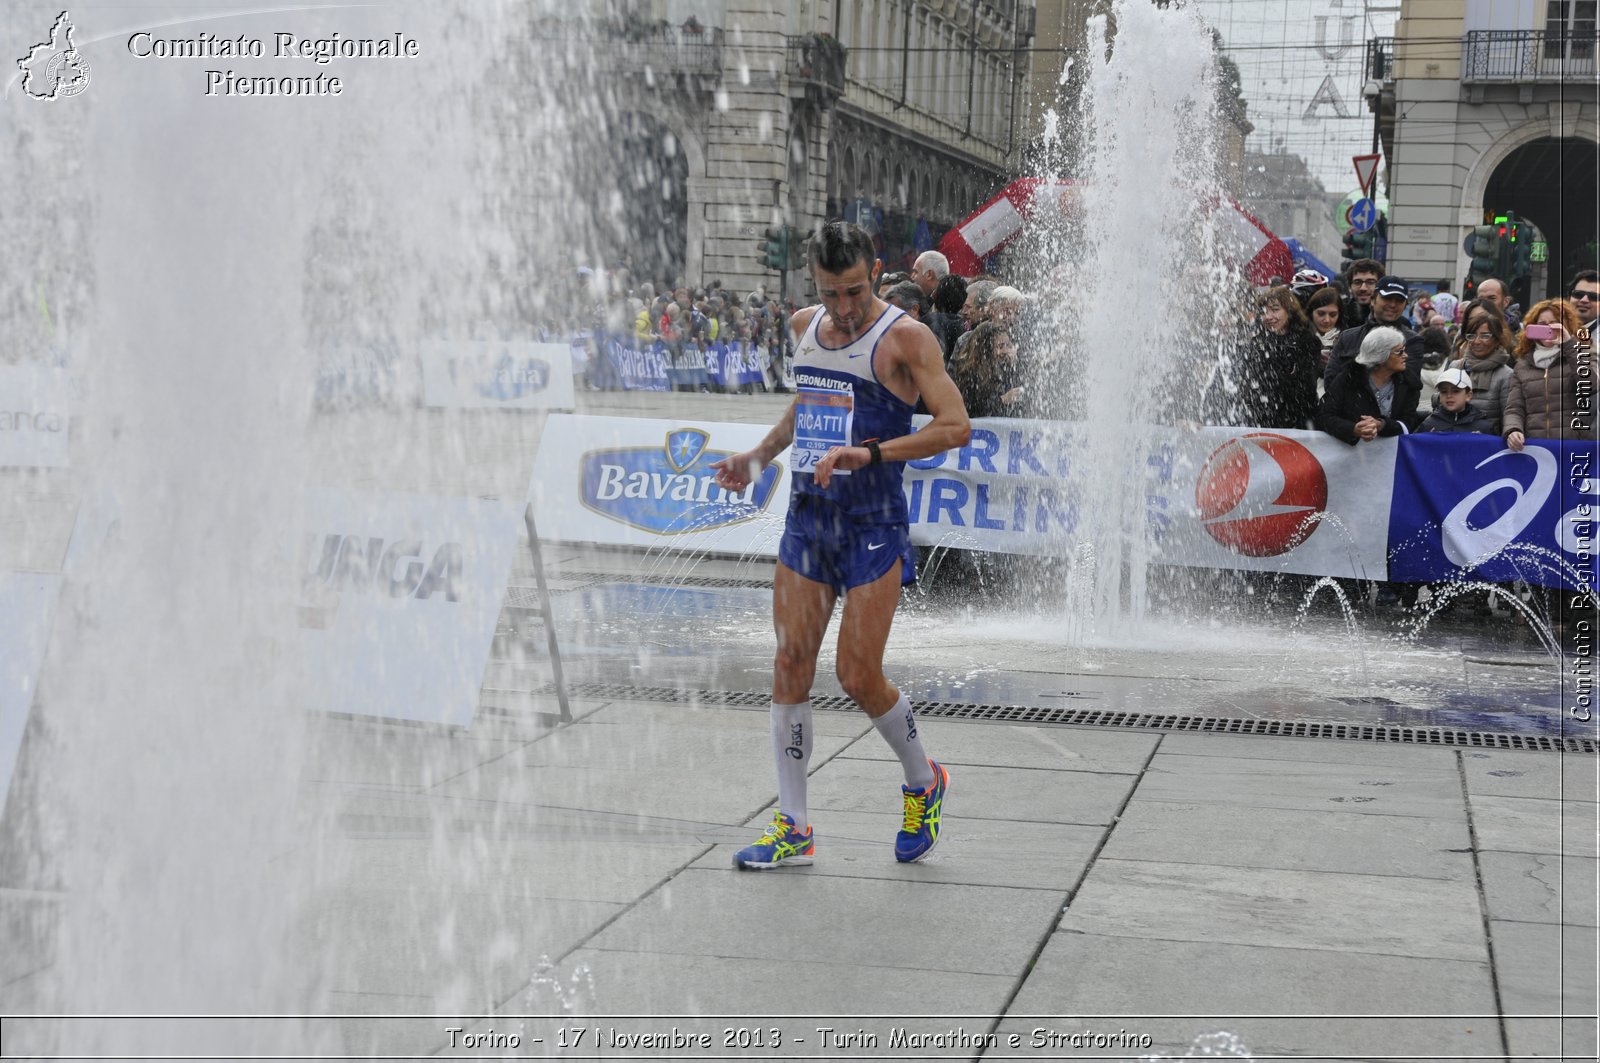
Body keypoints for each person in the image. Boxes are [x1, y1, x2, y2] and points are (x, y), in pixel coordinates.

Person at [711, 221, 972, 870]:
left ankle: (923, 779)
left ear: (876, 271)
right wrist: (758, 456)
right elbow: (807, 406)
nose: (845, 308)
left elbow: (956, 425)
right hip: (810, 516)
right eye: (831, 294)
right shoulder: (806, 326)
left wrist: (873, 451)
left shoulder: (904, 338)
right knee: (791, 659)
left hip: (873, 521)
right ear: (815, 285)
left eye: (856, 290)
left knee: (857, 674)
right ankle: (793, 824)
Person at [1205, 285, 1319, 429]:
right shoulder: (1255, 344)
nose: (1269, 317)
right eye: (1264, 312)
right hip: (1259, 423)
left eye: (1275, 310)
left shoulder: (1307, 342)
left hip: (1296, 425)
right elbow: (1240, 385)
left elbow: (1304, 388)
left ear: (1289, 311)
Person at [1503, 297, 1594, 449]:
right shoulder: (1523, 365)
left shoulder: (1579, 354)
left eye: (1555, 323)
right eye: (1542, 325)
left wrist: (1568, 344)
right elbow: (1514, 407)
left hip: (1573, 446)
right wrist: (1513, 430)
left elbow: (1591, 385)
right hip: (1536, 447)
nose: (1549, 328)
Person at [1316, 325, 1421, 444]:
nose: (1405, 355)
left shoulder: (1409, 383)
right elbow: (1324, 416)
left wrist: (1382, 425)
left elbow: (1409, 423)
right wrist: (1353, 429)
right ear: (1381, 356)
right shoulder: (1349, 377)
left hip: (1392, 456)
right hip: (1349, 455)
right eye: (1399, 352)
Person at [1324, 275, 1424, 388]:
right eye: (1388, 298)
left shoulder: (1413, 341)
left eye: (1399, 300)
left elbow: (1411, 385)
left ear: (1405, 305)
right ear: (1373, 300)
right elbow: (1330, 382)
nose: (1392, 305)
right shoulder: (1348, 338)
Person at [1443, 304, 1516, 433]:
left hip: (1488, 444)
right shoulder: (1456, 366)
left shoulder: (1506, 375)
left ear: (1497, 339)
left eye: (1485, 336)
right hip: (1454, 440)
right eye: (1471, 335)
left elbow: (1509, 418)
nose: (1477, 341)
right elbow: (1440, 404)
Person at [948, 321, 1023, 418]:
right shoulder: (969, 371)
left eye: (1007, 345)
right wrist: (1002, 400)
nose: (1005, 351)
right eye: (1000, 346)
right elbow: (969, 408)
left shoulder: (1005, 366)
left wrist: (1014, 367)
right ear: (986, 348)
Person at [1417, 368, 1496, 434]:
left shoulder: (1483, 427)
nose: (1449, 396)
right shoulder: (1429, 424)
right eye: (1444, 391)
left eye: (1456, 391)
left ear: (1468, 395)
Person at [1306, 286, 1343, 374]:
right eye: (1321, 314)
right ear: (1311, 313)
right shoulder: (1300, 339)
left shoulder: (1347, 340)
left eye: (1333, 315)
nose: (1327, 320)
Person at [1340, 259, 1384, 328]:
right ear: (1349, 287)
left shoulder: (1391, 320)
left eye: (1370, 282)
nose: (1363, 288)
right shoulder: (1338, 318)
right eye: (1357, 282)